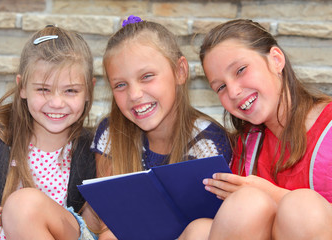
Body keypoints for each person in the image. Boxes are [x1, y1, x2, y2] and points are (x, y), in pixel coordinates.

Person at [179, 19, 332, 240]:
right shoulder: (245, 146)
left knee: (301, 207)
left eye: (240, 70)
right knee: (200, 229)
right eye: (220, 87)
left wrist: (275, 195)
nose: (232, 92)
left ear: (276, 60)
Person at [90, 15, 232, 239]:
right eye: (120, 85)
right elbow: (110, 224)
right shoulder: (111, 132)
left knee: (202, 230)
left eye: (147, 77)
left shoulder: (208, 141)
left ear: (180, 71)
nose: (134, 95)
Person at [0, 25, 98, 240]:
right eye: (43, 89)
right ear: (22, 87)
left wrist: (23, 215)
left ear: (88, 90)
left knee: (24, 206)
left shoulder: (93, 152)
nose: (57, 103)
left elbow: (95, 228)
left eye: (71, 90)